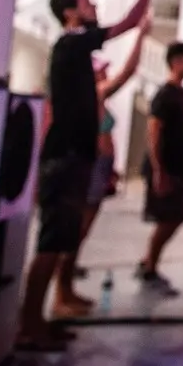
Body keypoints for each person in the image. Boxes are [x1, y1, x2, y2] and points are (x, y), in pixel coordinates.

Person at [18, 0, 159, 349]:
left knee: (60, 239)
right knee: (50, 244)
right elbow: (128, 22)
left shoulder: (75, 51)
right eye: (85, 0)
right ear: (70, 12)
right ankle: (29, 327)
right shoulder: (72, 42)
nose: (93, 3)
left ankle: (41, 319)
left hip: (72, 158)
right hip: (65, 159)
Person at [71, 20, 148, 288]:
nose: (105, 75)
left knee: (84, 223)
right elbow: (128, 72)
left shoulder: (97, 99)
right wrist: (140, 36)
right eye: (101, 72)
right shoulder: (94, 94)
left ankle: (69, 269)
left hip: (100, 167)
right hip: (93, 166)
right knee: (80, 224)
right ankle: (64, 275)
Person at [138, 41, 183, 294]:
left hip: (177, 167)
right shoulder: (165, 94)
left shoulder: (182, 94)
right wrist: (158, 170)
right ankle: (149, 265)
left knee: (175, 216)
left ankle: (148, 262)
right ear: (176, 62)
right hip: (165, 168)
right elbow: (153, 131)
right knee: (170, 218)